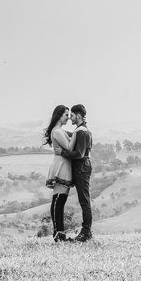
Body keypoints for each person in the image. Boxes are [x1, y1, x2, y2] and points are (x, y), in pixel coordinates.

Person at [58, 103, 94, 242]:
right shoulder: (82, 129)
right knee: (84, 200)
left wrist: (63, 152)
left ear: (78, 116)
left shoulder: (81, 131)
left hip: (82, 168)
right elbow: (73, 136)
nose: (70, 118)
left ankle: (86, 232)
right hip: (84, 167)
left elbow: (79, 154)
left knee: (84, 200)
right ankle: (86, 231)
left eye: (72, 115)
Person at [43, 104, 76, 242]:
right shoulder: (57, 131)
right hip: (61, 165)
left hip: (64, 165)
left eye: (69, 115)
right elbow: (68, 147)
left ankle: (59, 233)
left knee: (60, 199)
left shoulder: (60, 130)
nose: (68, 118)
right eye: (66, 115)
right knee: (58, 199)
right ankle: (58, 234)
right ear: (58, 115)